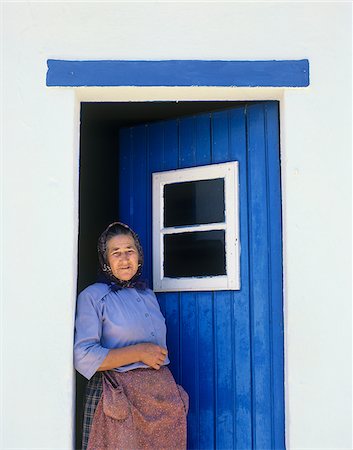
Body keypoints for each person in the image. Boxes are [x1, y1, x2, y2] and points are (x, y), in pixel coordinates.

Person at [74, 222, 188, 450]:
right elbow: (83, 356)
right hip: (121, 398)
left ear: (139, 256)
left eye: (130, 251)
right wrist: (139, 352)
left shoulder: (147, 294)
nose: (124, 259)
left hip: (159, 404)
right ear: (106, 261)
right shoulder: (93, 297)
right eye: (116, 253)